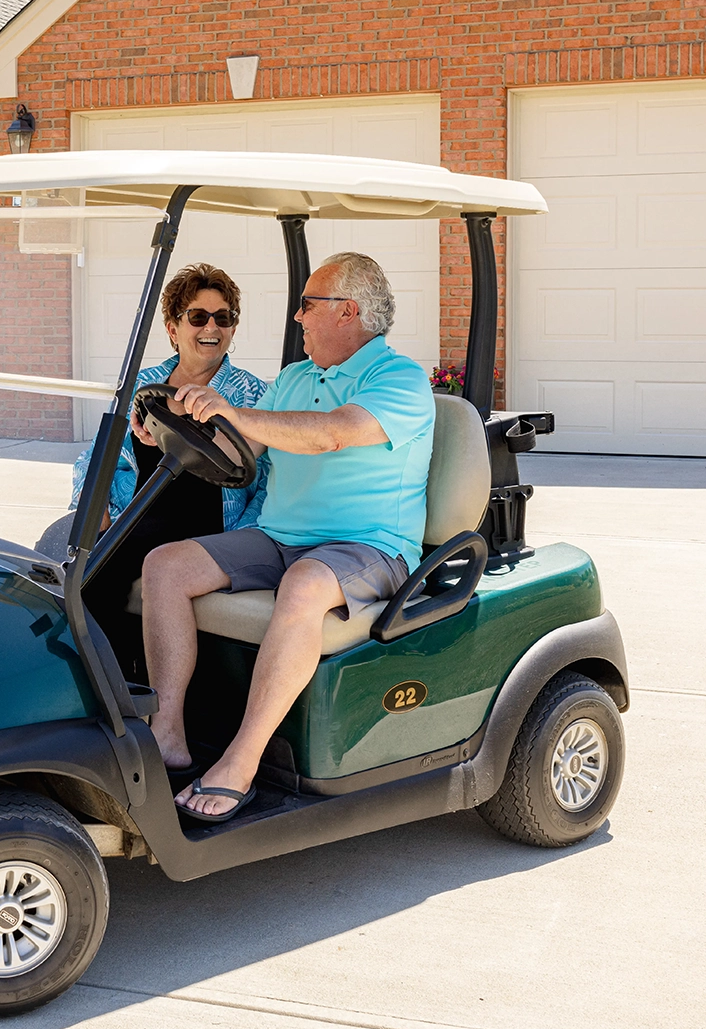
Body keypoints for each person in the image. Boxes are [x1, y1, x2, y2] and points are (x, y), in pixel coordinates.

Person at [141, 252, 436, 822]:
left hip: (369, 547)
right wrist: (168, 432)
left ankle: (240, 762)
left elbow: (332, 433)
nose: (297, 318)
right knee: (164, 565)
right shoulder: (295, 379)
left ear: (348, 311)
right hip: (280, 537)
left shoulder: (398, 379)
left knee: (303, 585)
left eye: (307, 305)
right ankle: (168, 734)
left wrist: (238, 413)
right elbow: (242, 452)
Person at [69, 264, 268, 684]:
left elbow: (268, 483)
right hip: (137, 511)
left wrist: (242, 543)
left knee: (97, 574)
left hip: (210, 527)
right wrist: (96, 507)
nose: (211, 327)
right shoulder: (146, 384)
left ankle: (115, 696)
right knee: (64, 555)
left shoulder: (252, 394)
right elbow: (95, 456)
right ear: (173, 328)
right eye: (198, 317)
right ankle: (100, 683)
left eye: (223, 317)